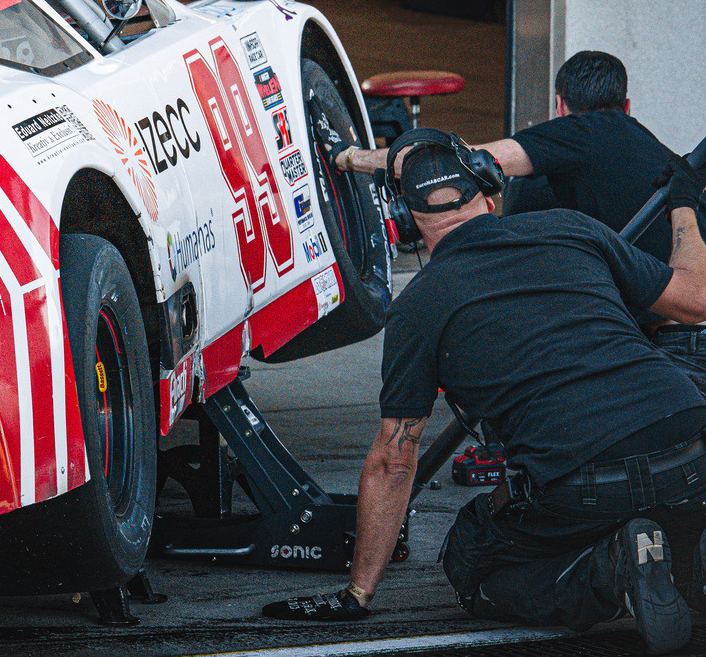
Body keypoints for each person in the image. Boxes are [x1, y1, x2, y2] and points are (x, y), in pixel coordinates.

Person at [264, 130, 706, 655]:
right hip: (691, 446)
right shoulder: (572, 229)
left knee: (471, 561)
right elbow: (697, 302)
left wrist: (358, 591)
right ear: (492, 194)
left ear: (409, 228)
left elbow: (393, 461)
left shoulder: (419, 306)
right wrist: (685, 205)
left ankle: (610, 569)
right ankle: (678, 554)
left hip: (582, 477)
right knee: (672, 501)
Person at [312, 49, 706, 386]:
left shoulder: (582, 131)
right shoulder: (659, 156)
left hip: (672, 348)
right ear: (627, 107)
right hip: (678, 333)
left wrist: (350, 157)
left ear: (560, 106)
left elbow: (458, 161)